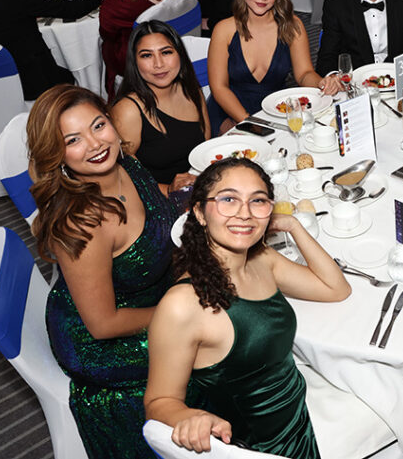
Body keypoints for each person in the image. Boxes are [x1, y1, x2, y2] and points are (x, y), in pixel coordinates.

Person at [144, 158, 351, 457]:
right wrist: (189, 417)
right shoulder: (182, 306)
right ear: (200, 212)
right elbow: (159, 401)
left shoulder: (260, 259)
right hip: (268, 449)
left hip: (302, 410)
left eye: (258, 201)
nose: (244, 213)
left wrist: (291, 224)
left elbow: (336, 289)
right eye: (228, 199)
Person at [28, 85, 177, 459]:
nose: (95, 144)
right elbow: (103, 324)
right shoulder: (83, 223)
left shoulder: (123, 162)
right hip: (99, 337)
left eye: (98, 125)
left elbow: (149, 201)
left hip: (144, 296)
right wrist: (181, 315)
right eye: (73, 140)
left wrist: (175, 189)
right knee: (206, 345)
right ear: (56, 154)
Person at [207, 0, 340, 133]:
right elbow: (219, 88)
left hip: (275, 110)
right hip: (230, 110)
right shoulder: (224, 30)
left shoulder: (292, 26)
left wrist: (321, 82)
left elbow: (304, 74)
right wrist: (248, 121)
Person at [111, 21, 210, 195]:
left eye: (166, 52)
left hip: (198, 187)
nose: (159, 64)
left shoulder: (192, 91)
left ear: (179, 54)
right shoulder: (128, 110)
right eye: (147, 55)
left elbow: (205, 148)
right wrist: (169, 190)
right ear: (135, 62)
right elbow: (123, 177)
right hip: (156, 201)